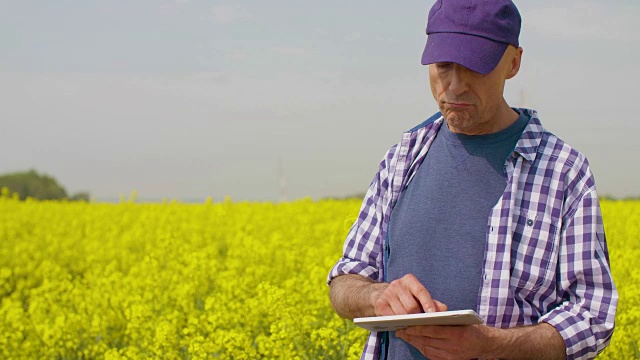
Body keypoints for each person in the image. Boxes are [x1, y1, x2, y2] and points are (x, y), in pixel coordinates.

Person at [326, 0, 618, 359]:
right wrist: (376, 296)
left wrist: (491, 345)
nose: (455, 86)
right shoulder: (403, 156)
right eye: (443, 66)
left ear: (513, 63)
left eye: (474, 68)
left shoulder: (563, 172)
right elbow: (345, 280)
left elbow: (592, 317)